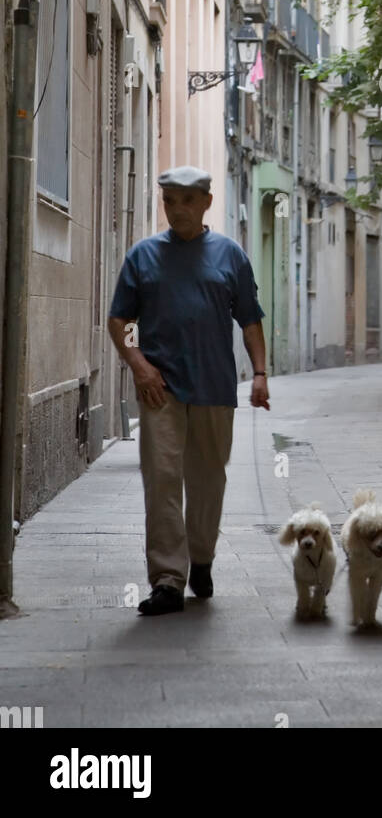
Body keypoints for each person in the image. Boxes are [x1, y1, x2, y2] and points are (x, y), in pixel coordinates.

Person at [107, 166, 270, 617]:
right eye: (169, 200)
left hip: (215, 387)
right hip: (161, 389)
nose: (177, 209)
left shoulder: (230, 256)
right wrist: (138, 364)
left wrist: (259, 373)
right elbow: (123, 320)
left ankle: (201, 558)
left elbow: (250, 318)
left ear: (205, 204)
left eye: (186, 200)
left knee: (208, 482)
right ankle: (167, 580)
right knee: (162, 482)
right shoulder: (143, 256)